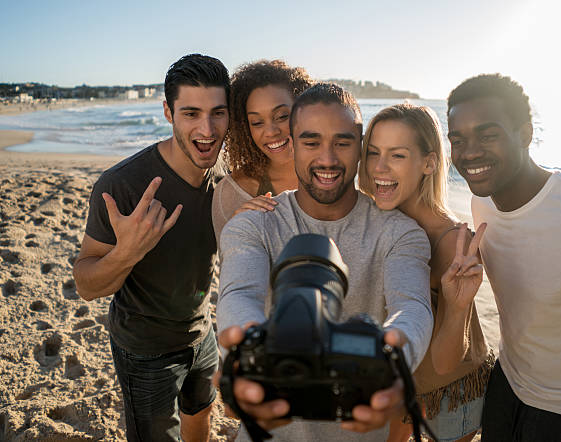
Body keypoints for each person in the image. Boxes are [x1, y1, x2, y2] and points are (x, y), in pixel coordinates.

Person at [216, 83, 434, 441]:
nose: (328, 159)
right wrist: (244, 354)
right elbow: (239, 295)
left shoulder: (400, 233)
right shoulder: (254, 223)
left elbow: (412, 307)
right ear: (291, 143)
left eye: (343, 142)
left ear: (361, 143)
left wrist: (395, 360)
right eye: (311, 141)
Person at [72, 54, 230, 442]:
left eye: (218, 113)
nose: (207, 129)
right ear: (167, 112)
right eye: (191, 113)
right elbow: (86, 286)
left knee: (202, 410)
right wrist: (127, 252)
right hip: (145, 350)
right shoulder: (122, 184)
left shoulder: (226, 177)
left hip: (201, 329)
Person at [447, 73, 561, 441]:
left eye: (488, 136)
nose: (470, 152)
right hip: (507, 384)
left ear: (525, 134)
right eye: (458, 140)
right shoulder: (481, 201)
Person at [358, 104, 494, 442]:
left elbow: (447, 362)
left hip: (452, 391)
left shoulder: (452, 243)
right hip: (404, 379)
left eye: (397, 155)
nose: (379, 166)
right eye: (373, 152)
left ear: (429, 163)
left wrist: (459, 304)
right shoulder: (378, 217)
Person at [211, 60, 313, 244]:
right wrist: (238, 232)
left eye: (282, 116)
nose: (271, 132)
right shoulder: (232, 193)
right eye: (257, 122)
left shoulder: (337, 173)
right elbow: (232, 270)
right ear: (245, 128)